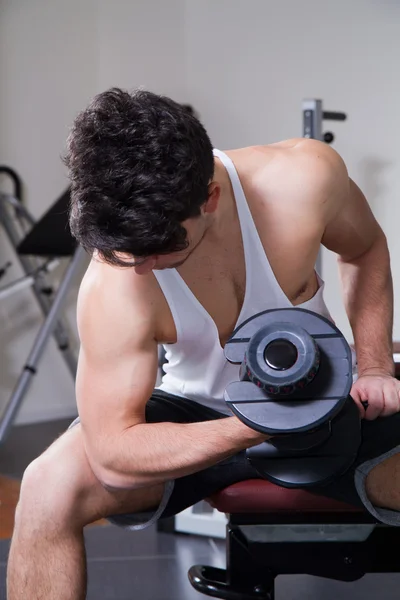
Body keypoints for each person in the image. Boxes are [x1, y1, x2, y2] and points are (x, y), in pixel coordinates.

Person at [7, 88, 400, 600]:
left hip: (326, 405)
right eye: (127, 253)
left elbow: (366, 247)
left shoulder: (303, 179)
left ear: (209, 199)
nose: (141, 267)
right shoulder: (114, 282)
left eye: (160, 249)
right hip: (190, 419)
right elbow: (112, 452)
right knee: (45, 489)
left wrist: (373, 365)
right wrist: (254, 424)